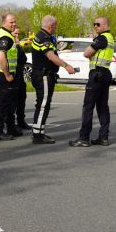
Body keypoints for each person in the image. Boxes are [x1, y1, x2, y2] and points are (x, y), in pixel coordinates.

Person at [69, 16, 114, 147]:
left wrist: (90, 47)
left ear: (105, 25)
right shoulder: (110, 37)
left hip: (97, 75)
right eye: (94, 24)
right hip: (105, 73)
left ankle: (84, 138)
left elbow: (86, 53)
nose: (95, 26)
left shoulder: (102, 38)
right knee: (102, 106)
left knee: (88, 106)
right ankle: (103, 137)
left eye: (98, 24)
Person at [30, 15, 75, 144]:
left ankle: (39, 131)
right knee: (43, 104)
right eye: (55, 25)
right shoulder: (44, 37)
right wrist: (66, 66)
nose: (56, 28)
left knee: (44, 104)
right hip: (43, 75)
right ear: (50, 25)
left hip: (42, 74)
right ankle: (37, 135)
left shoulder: (41, 35)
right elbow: (50, 56)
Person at [0, 13, 20, 141]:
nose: (14, 24)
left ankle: (11, 128)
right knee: (3, 104)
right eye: (11, 22)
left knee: (10, 102)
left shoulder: (5, 34)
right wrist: (7, 74)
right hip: (3, 75)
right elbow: (1, 57)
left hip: (4, 73)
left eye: (14, 22)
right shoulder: (5, 36)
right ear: (4, 22)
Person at [12, 25, 30, 132]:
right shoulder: (10, 44)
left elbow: (24, 58)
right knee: (13, 100)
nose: (17, 36)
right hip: (13, 75)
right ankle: (11, 122)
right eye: (15, 34)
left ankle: (21, 121)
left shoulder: (17, 45)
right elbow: (20, 58)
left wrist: (18, 45)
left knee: (22, 98)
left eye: (18, 34)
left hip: (20, 74)